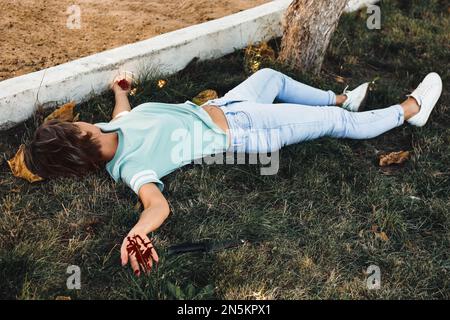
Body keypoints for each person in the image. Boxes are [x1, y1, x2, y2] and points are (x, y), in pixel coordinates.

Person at [23, 68, 443, 275]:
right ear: (80, 142)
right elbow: (156, 204)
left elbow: (124, 114)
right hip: (249, 131)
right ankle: (411, 111)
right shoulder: (131, 167)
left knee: (269, 76)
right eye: (72, 127)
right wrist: (137, 232)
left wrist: (119, 91)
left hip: (227, 107)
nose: (78, 121)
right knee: (339, 129)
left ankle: (340, 98)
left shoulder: (114, 127)